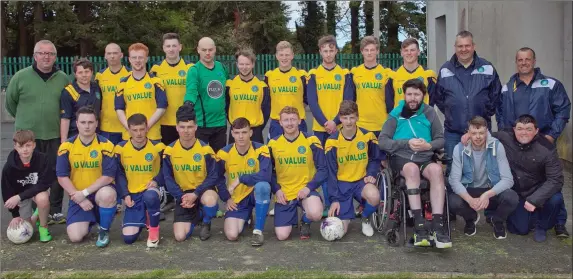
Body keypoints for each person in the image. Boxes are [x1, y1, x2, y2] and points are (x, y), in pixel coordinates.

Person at [496, 47, 571, 237]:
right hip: (517, 143)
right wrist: (508, 138)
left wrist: (552, 135)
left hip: (543, 141)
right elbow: (501, 113)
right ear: (516, 62)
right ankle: (527, 215)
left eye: (527, 59)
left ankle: (559, 222)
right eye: (520, 60)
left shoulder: (550, 84)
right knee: (521, 180)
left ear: (534, 61)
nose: (523, 63)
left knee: (551, 181)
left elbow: (563, 111)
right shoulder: (508, 86)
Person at [379, 78, 451, 248]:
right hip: (403, 160)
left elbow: (441, 139)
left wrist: (429, 145)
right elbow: (383, 141)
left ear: (423, 96)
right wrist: (406, 143)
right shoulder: (395, 114)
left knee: (436, 171)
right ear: (404, 95)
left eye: (416, 94)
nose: (412, 98)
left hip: (425, 157)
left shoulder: (429, 113)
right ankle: (419, 226)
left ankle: (438, 226)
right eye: (409, 94)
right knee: (411, 169)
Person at [5, 39, 70, 225]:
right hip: (28, 138)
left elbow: (67, 104)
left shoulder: (63, 78)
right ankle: (34, 209)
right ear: (34, 56)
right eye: (42, 53)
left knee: (57, 172)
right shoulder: (20, 76)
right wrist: (26, 121)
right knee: (30, 175)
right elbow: (11, 103)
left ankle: (55, 210)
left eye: (50, 53)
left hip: (54, 134)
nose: (46, 56)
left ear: (55, 57)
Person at [433, 31, 502, 173]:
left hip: (480, 131)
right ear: (455, 47)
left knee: (482, 170)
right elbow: (439, 98)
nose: (464, 49)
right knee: (454, 170)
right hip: (453, 132)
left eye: (467, 46)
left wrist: (485, 113)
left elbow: (496, 95)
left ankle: (481, 196)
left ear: (473, 46)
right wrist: (451, 112)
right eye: (460, 46)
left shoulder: (487, 68)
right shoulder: (446, 70)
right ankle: (455, 196)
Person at [56, 106, 117, 247]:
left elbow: (108, 177)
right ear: (77, 123)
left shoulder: (106, 145)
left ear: (96, 123)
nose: (87, 126)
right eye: (83, 122)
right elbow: (62, 177)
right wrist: (79, 198)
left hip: (98, 193)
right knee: (75, 237)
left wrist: (84, 193)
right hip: (77, 196)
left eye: (90, 122)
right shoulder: (66, 147)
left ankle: (104, 229)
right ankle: (91, 220)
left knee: (107, 194)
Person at [499, 115, 566, 242]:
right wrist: (468, 135)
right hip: (519, 191)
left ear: (536, 131)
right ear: (514, 129)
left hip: (539, 189)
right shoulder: (505, 137)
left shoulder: (547, 148)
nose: (523, 132)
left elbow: (556, 179)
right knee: (518, 229)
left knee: (556, 198)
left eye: (529, 129)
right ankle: (533, 216)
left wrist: (534, 200)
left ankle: (542, 226)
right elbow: (484, 134)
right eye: (520, 128)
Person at [449, 116, 517, 240]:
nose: (478, 137)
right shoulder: (459, 148)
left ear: (487, 132)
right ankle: (471, 218)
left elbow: (508, 179)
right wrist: (469, 200)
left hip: (490, 187)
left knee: (511, 197)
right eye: (474, 133)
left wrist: (487, 195)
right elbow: (454, 180)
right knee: (453, 201)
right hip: (470, 188)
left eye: (481, 133)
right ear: (468, 133)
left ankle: (497, 220)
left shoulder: (497, 146)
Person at [307, 35, 353, 215]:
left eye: (331, 50)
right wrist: (326, 123)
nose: (328, 54)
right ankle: (327, 203)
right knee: (324, 167)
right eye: (325, 51)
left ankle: (342, 201)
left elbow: (347, 100)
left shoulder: (344, 74)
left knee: (341, 166)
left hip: (339, 128)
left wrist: (335, 121)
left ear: (336, 51)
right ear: (320, 52)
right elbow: (312, 101)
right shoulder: (313, 74)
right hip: (321, 129)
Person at [162, 103, 221, 241]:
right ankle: (198, 215)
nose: (186, 131)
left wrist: (195, 194)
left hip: (202, 191)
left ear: (195, 127)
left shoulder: (205, 149)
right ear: (177, 127)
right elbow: (167, 178)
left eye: (189, 127)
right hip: (183, 195)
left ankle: (206, 222)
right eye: (182, 127)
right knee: (180, 237)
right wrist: (181, 196)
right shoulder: (169, 151)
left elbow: (213, 176)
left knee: (210, 200)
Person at [267, 106, 327, 240]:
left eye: (293, 119)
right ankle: (291, 215)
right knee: (282, 236)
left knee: (316, 213)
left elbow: (323, 170)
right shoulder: (273, 144)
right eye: (286, 120)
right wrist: (276, 190)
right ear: (280, 122)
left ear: (299, 121)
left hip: (305, 190)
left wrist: (309, 187)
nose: (290, 123)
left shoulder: (311, 140)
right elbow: (268, 172)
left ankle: (305, 220)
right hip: (285, 192)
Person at [325, 100, 381, 237]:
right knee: (340, 232)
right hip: (342, 184)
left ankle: (365, 217)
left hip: (361, 181)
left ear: (357, 117)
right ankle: (346, 215)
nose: (348, 121)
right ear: (340, 118)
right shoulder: (332, 141)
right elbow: (331, 172)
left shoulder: (368, 136)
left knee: (374, 196)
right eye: (345, 118)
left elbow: (374, 159)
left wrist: (371, 173)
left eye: (351, 117)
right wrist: (334, 199)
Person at [216, 117, 272, 246]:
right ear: (232, 134)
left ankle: (258, 231)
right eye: (237, 133)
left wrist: (241, 179)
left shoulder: (261, 149)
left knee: (263, 186)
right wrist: (226, 198)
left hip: (255, 192)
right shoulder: (224, 153)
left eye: (244, 132)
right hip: (238, 198)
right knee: (232, 235)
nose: (241, 136)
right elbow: (217, 178)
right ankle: (247, 217)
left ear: (250, 133)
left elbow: (266, 175)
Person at [114, 114, 165, 248]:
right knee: (129, 239)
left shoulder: (158, 147)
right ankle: (145, 217)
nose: (139, 133)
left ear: (147, 128)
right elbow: (119, 174)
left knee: (150, 196)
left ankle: (154, 230)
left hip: (151, 190)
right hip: (133, 195)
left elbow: (167, 170)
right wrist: (125, 195)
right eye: (135, 130)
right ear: (129, 130)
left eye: (142, 129)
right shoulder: (120, 148)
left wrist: (156, 180)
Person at [2, 130, 53, 242]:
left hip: (37, 192)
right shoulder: (9, 167)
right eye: (21, 146)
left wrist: (19, 197)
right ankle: (37, 214)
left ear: (34, 145)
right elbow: (7, 192)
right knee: (28, 229)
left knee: (43, 199)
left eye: (28, 145)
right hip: (21, 195)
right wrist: (15, 215)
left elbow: (44, 184)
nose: (25, 149)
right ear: (15, 147)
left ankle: (43, 228)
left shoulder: (43, 159)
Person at [115, 43, 168, 142]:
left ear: (146, 59)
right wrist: (130, 128)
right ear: (129, 59)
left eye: (140, 57)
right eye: (134, 57)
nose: (137, 60)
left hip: (152, 135)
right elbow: (119, 109)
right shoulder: (123, 82)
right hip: (129, 136)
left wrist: (146, 127)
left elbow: (162, 107)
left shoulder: (156, 81)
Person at [184, 37, 228, 152]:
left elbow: (228, 90)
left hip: (220, 124)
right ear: (198, 50)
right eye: (204, 50)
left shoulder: (222, 67)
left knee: (219, 161)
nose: (207, 53)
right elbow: (191, 90)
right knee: (201, 161)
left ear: (215, 50)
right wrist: (188, 103)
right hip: (202, 126)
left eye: (210, 50)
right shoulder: (194, 70)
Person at [150, 33, 194, 146]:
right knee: (168, 157)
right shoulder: (156, 69)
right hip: (164, 121)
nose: (171, 49)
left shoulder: (190, 68)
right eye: (168, 46)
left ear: (180, 47)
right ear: (163, 48)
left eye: (174, 46)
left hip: (186, 122)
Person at [347, 36, 393, 137]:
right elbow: (351, 100)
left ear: (377, 51)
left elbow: (390, 101)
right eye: (366, 50)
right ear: (362, 51)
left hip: (381, 124)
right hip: (361, 124)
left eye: (372, 50)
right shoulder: (354, 72)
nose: (369, 53)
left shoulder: (386, 73)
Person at [264, 41, 309, 139]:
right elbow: (266, 100)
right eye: (281, 55)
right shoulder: (269, 76)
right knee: (274, 153)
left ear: (292, 56)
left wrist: (294, 111)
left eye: (287, 55)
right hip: (277, 123)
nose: (284, 58)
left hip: (297, 122)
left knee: (300, 153)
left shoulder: (301, 75)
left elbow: (307, 98)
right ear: (276, 56)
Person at [225, 48, 270, 144]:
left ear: (253, 64)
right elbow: (226, 106)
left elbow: (266, 110)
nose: (244, 67)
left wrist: (257, 127)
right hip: (236, 130)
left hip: (255, 131)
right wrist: (234, 123)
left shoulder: (262, 86)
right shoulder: (230, 85)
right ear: (237, 64)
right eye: (241, 64)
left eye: (247, 64)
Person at [386, 38, 437, 109]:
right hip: (400, 119)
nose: (409, 53)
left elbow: (432, 101)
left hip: (421, 119)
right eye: (406, 50)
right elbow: (389, 103)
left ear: (418, 52)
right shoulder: (392, 75)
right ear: (401, 52)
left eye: (412, 50)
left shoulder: (429, 75)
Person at [95, 43, 131, 145]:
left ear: (121, 55)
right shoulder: (99, 76)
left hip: (127, 126)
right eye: (109, 53)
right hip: (106, 127)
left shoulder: (130, 74)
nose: (112, 56)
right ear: (105, 56)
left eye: (115, 53)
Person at [60, 58, 102, 141]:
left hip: (95, 136)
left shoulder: (96, 87)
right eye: (80, 72)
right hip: (75, 137)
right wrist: (64, 143)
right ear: (75, 74)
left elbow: (100, 111)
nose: (84, 75)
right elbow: (65, 119)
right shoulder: (68, 91)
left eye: (87, 71)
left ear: (92, 72)